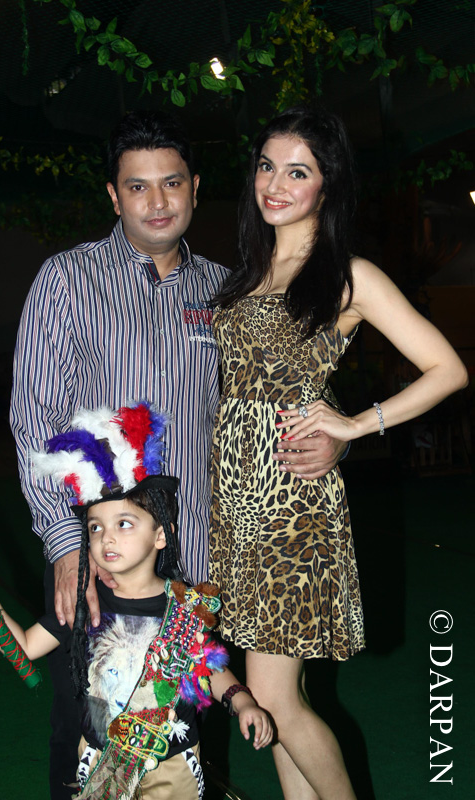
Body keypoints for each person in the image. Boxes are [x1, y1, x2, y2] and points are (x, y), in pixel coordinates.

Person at [9, 110, 344, 798]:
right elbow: (34, 421)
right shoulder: (67, 280)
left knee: (187, 724)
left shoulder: (226, 289)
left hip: (198, 551)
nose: (156, 201)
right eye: (137, 186)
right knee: (96, 731)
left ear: (194, 187)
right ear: (114, 196)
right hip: (103, 552)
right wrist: (67, 545)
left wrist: (330, 433)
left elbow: (270, 391)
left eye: (171, 183)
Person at [209, 105, 468, 800]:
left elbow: (447, 369)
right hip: (235, 503)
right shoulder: (248, 271)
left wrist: (356, 425)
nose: (275, 184)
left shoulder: (349, 275)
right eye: (267, 167)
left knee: (271, 694)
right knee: (275, 699)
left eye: (297, 172)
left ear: (328, 184)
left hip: (291, 502)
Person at [0, 402, 273, 799]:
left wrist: (241, 701)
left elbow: (206, 667)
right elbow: (25, 647)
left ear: (161, 534)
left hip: (173, 765)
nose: (106, 537)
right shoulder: (85, 606)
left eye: (124, 524)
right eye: (95, 527)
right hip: (103, 764)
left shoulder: (185, 605)